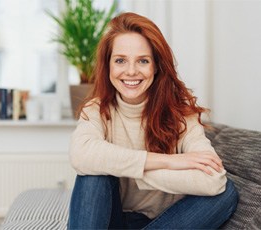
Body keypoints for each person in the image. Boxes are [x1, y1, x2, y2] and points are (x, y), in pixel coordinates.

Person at [67, 12, 238, 229]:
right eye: (120, 60)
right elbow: (80, 155)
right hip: (111, 219)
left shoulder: (182, 115)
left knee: (227, 194)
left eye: (143, 61)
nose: (131, 71)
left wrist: (133, 170)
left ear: (156, 66)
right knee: (93, 175)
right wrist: (169, 161)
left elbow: (214, 181)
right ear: (108, 65)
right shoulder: (97, 109)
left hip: (165, 223)